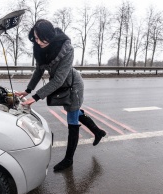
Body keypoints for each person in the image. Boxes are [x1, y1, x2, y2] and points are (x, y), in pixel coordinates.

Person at [15, 19, 106, 171]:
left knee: (72, 118)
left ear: (49, 35)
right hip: (62, 86)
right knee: (75, 112)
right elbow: (39, 70)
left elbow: (58, 79)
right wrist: (28, 90)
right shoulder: (40, 48)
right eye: (35, 38)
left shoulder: (66, 48)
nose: (38, 42)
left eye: (40, 38)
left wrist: (35, 98)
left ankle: (68, 160)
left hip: (73, 86)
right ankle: (98, 132)